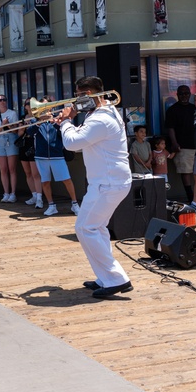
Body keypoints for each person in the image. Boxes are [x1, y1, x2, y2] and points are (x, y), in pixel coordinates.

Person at [55, 76, 133, 299]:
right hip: (108, 181)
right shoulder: (102, 112)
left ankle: (116, 278)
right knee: (97, 228)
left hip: (107, 183)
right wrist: (67, 125)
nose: (76, 100)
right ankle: (106, 276)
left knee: (85, 228)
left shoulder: (100, 119)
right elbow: (82, 144)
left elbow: (72, 144)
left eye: (79, 95)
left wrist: (66, 122)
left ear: (88, 94)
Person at [26, 114, 79, 217]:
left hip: (57, 155)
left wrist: (55, 123)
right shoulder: (35, 121)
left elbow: (64, 133)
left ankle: (75, 204)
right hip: (41, 156)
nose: (45, 112)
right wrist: (39, 122)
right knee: (45, 181)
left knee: (67, 180)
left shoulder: (57, 120)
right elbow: (29, 132)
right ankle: (51, 206)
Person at [164, 85, 196, 203]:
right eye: (182, 94)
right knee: (186, 171)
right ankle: (190, 195)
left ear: (190, 94)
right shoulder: (172, 110)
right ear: (177, 95)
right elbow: (170, 128)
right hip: (182, 146)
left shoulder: (195, 108)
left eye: (187, 93)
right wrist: (174, 143)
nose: (184, 96)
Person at [0, 95, 19, 202]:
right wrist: (2, 125)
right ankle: (6, 193)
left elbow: (16, 130)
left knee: (12, 168)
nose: (2, 102)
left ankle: (13, 193)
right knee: (3, 169)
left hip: (10, 138)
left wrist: (8, 125)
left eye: (4, 100)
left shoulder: (12, 113)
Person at [17, 100, 43, 208]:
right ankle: (34, 195)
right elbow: (19, 133)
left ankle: (40, 198)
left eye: (31, 103)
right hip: (24, 144)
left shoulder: (38, 117)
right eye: (27, 104)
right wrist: (23, 127)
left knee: (35, 173)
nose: (29, 105)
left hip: (34, 143)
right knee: (28, 173)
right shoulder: (23, 118)